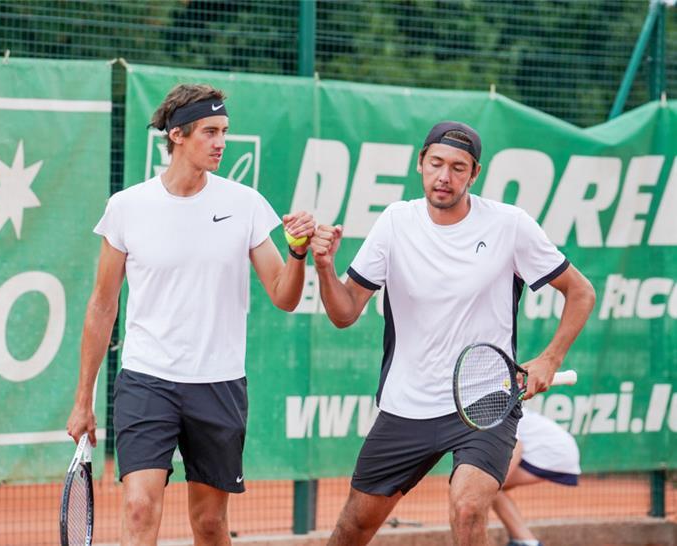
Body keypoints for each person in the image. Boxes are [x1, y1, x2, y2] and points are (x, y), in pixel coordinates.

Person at [309, 121, 595, 546]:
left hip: (486, 401)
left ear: (474, 174)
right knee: (353, 527)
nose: (445, 177)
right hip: (407, 403)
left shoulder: (508, 225)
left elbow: (580, 291)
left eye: (458, 168)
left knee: (468, 507)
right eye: (437, 164)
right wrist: (325, 267)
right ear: (420, 164)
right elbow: (344, 312)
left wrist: (550, 358)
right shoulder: (394, 222)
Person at [66, 83, 315, 546]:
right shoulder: (127, 207)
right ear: (177, 135)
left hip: (218, 383)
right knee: (140, 509)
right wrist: (83, 400)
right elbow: (102, 305)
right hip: (146, 380)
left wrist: (297, 253)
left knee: (209, 523)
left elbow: (283, 295)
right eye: (210, 132)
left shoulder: (245, 204)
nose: (222, 142)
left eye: (225, 132)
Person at [493, 409, 581, 546]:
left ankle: (526, 542)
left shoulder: (495, 411)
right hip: (558, 448)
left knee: (488, 486)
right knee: (490, 488)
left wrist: (494, 483)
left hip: (554, 451)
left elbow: (517, 446)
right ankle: (521, 540)